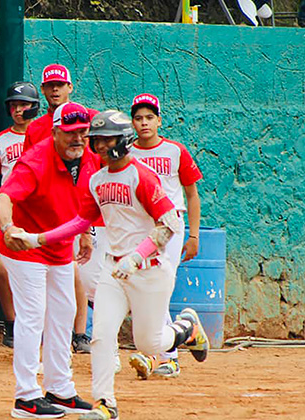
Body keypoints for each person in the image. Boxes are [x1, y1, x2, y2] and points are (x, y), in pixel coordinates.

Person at [12, 110, 210, 420]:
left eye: (108, 140)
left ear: (123, 140)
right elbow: (81, 221)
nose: (101, 146)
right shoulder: (97, 179)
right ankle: (105, 403)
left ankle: (188, 328)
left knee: (149, 342)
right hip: (113, 270)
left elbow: (170, 223)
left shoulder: (141, 175)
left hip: (149, 270)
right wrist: (40, 239)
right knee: (102, 336)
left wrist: (136, 256)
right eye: (98, 140)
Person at [0, 102, 97, 418]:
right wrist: (8, 226)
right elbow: (4, 198)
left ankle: (59, 389)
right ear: (55, 133)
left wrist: (85, 233)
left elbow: (86, 198)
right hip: (25, 245)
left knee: (64, 313)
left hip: (59, 246)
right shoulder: (35, 160)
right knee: (33, 315)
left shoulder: (89, 158)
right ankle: (26, 397)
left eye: (82, 132)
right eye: (70, 134)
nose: (77, 139)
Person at [127, 93, 203, 380]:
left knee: (158, 289)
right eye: (138, 118)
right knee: (140, 290)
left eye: (149, 117)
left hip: (170, 227)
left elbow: (192, 194)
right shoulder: (127, 154)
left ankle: (166, 357)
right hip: (140, 228)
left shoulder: (175, 151)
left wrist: (193, 235)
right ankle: (172, 341)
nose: (144, 123)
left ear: (159, 120)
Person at [23, 64, 96, 352]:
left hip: (82, 209)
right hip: (48, 211)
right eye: (50, 85)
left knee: (81, 275)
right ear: (43, 90)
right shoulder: (38, 128)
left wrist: (88, 227)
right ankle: (52, 339)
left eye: (60, 84)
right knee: (56, 276)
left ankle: (81, 334)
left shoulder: (89, 120)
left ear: (70, 87)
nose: (55, 89)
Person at [0, 81, 40, 348]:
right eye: (14, 105)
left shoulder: (46, 134)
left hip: (40, 210)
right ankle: (12, 325)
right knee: (4, 269)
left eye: (24, 104)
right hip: (10, 210)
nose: (18, 110)